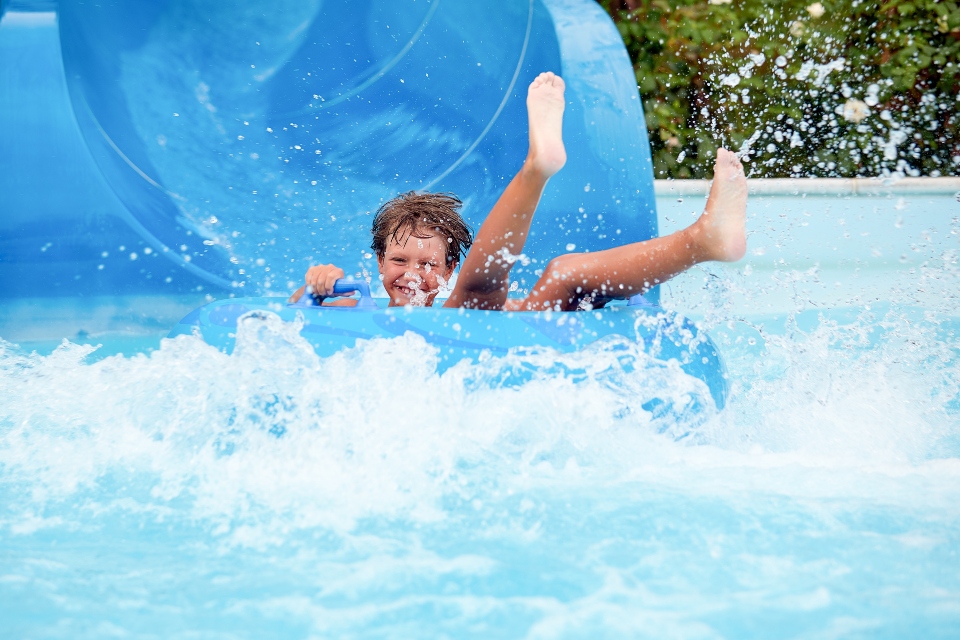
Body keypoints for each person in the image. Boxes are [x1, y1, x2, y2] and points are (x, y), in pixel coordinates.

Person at [289, 72, 747, 311]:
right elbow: (294, 316)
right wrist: (317, 284)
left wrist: (517, 308)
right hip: (470, 315)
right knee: (501, 286)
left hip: (476, 321)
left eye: (429, 264)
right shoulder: (357, 303)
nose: (412, 274)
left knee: (557, 274)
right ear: (378, 262)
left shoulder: (457, 299)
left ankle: (701, 239)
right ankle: (701, 240)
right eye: (399, 260)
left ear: (449, 268)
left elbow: (496, 301)